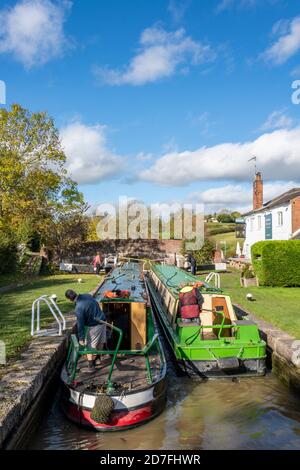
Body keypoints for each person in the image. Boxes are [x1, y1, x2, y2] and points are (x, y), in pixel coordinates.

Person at [65, 289, 106, 372]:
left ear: (69, 299)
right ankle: (98, 359)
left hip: (95, 325)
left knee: (89, 346)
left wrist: (81, 338)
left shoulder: (79, 308)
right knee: (101, 342)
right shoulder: (87, 295)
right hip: (103, 320)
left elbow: (80, 324)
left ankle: (91, 366)